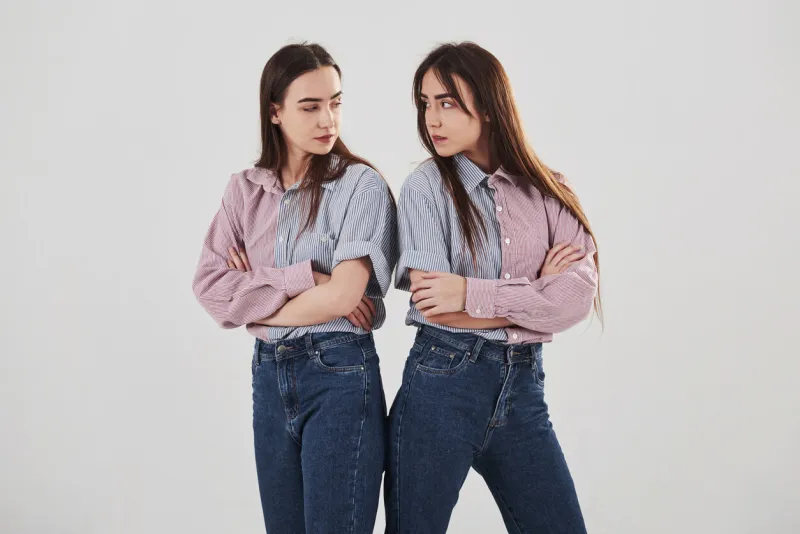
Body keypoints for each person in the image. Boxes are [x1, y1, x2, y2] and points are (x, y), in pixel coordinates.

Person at [386, 42, 602, 534]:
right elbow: (433, 305)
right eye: (425, 102)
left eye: (447, 102)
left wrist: (471, 294)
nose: (432, 118)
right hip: (440, 389)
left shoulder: (549, 189)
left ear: (486, 105)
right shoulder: (425, 188)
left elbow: (575, 301)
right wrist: (536, 294)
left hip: (522, 393)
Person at [192, 43, 396, 534]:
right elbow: (209, 288)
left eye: (336, 102)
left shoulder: (359, 186)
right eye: (310, 106)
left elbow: (343, 298)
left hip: (340, 374)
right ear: (275, 111)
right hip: (268, 377)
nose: (328, 119)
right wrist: (301, 279)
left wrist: (254, 305)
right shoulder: (245, 190)